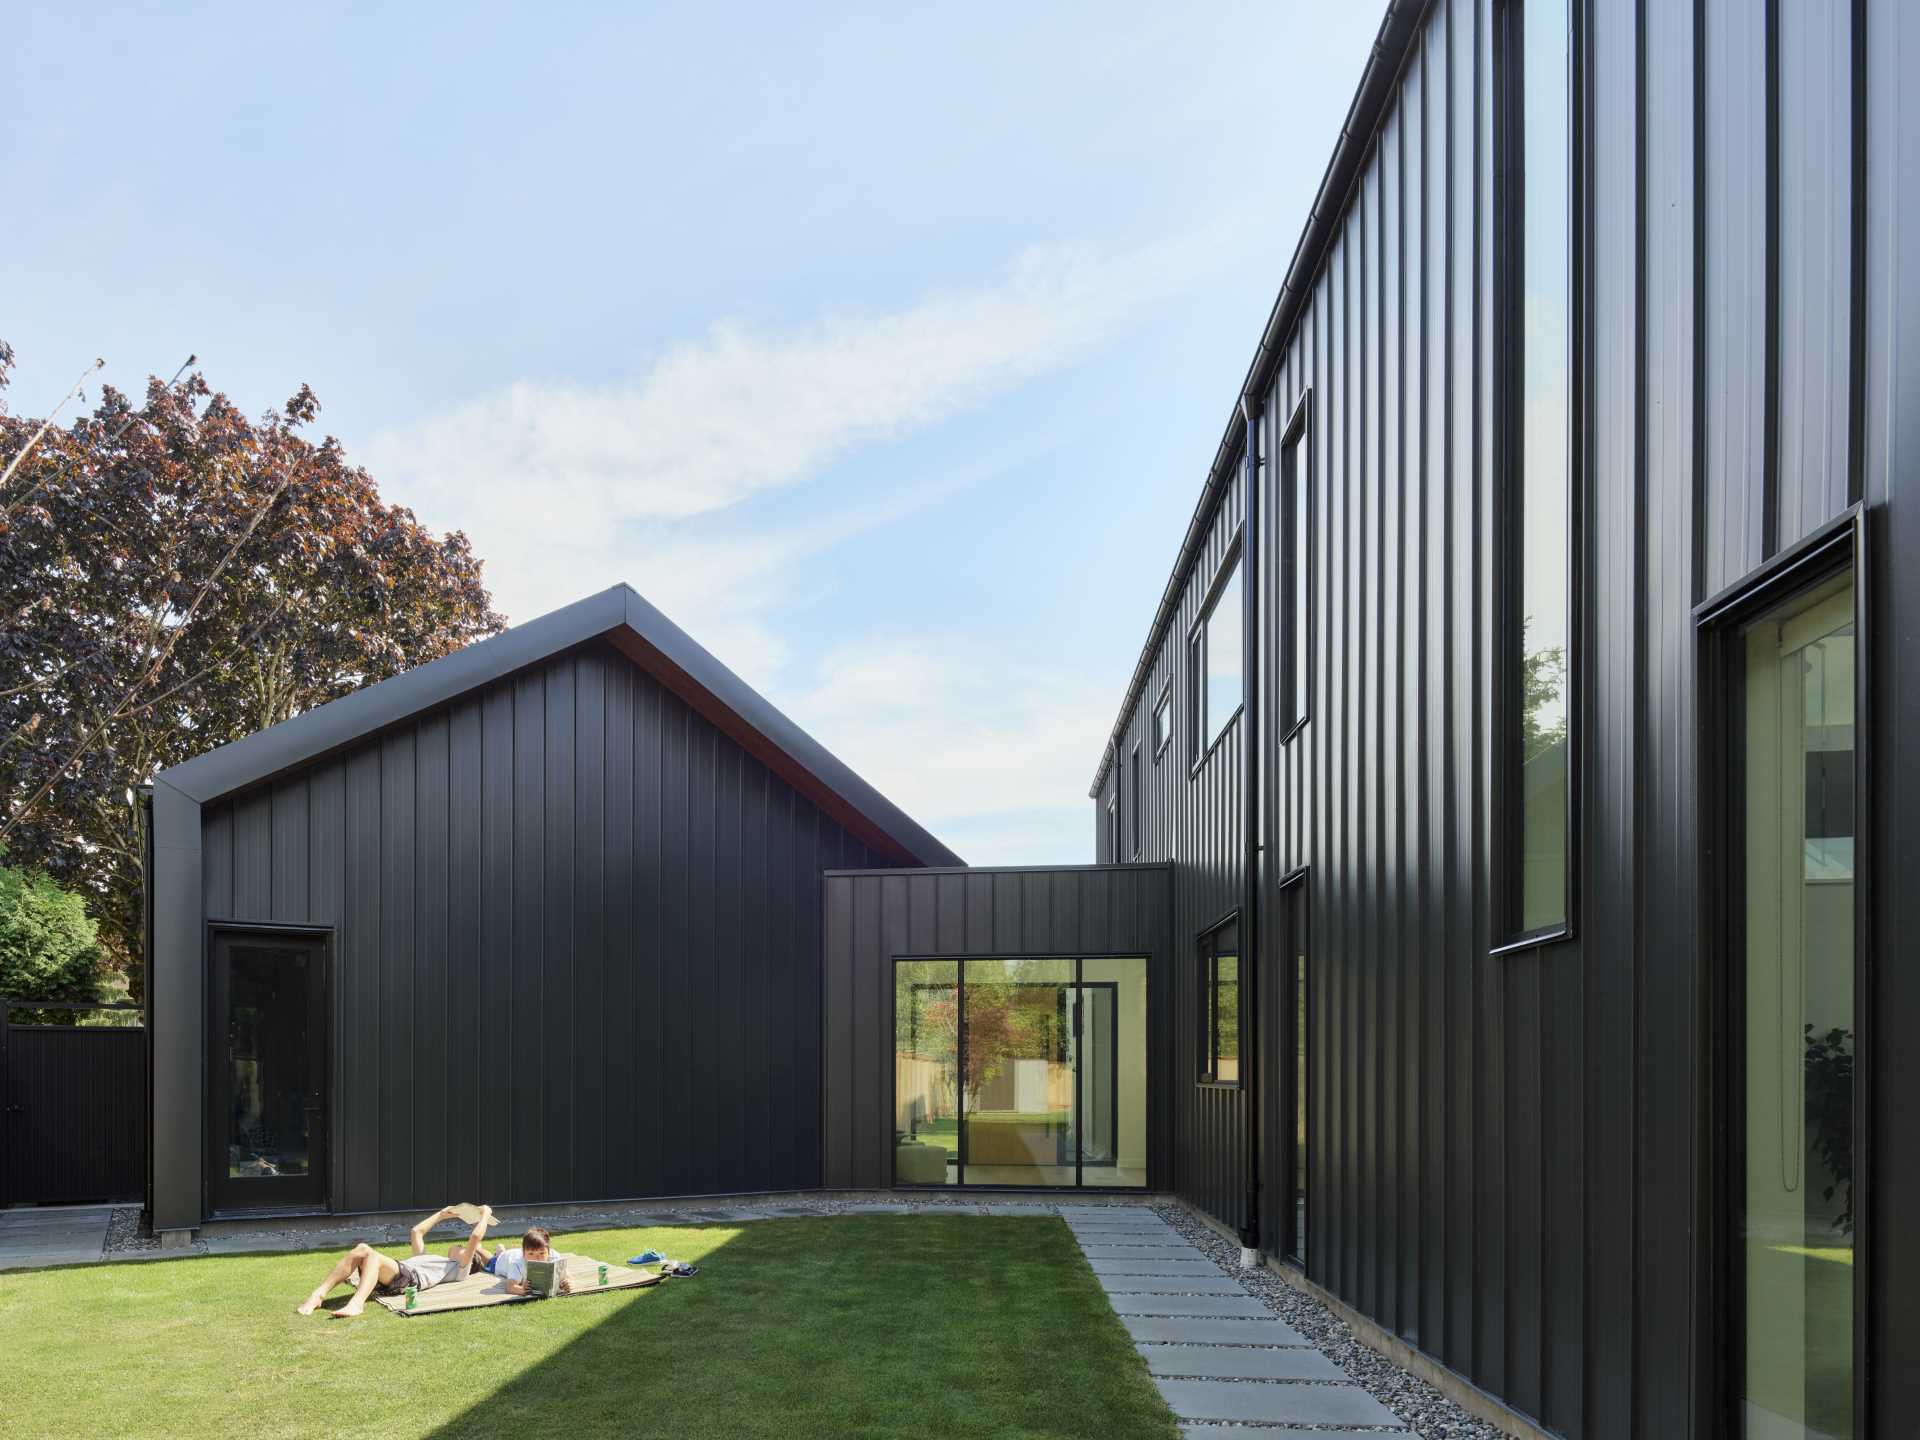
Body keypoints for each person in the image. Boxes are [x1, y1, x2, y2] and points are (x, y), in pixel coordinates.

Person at [296, 1203, 497, 1318]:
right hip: (399, 1273)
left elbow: (475, 1238)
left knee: (368, 1251)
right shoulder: (432, 1260)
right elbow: (416, 1231)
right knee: (361, 1250)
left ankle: (357, 1303)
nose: (459, 1247)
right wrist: (441, 1215)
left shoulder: (460, 1269)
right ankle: (318, 1295)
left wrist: (485, 1214)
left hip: (408, 1280)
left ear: (471, 1260)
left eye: (463, 1249)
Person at [474, 1224, 572, 1296]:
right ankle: (478, 1248)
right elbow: (510, 1287)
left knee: (500, 1254)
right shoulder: (517, 1263)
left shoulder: (553, 1256)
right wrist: (522, 1290)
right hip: (503, 1260)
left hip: (513, 1253)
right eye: (531, 1254)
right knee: (490, 1260)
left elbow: (567, 1274)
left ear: (548, 1251)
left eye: (542, 1253)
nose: (537, 1258)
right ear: (524, 1254)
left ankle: (500, 1250)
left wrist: (567, 1282)